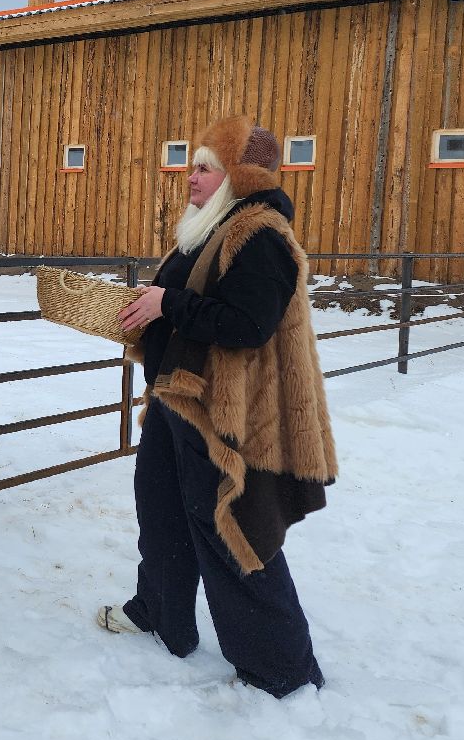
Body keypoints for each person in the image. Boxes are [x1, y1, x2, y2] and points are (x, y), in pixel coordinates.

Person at [99, 115, 337, 698]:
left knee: (231, 530)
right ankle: (161, 613)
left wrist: (169, 304)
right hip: (175, 398)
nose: (191, 177)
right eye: (192, 166)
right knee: (160, 512)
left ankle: (281, 668)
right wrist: (153, 306)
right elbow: (185, 302)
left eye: (206, 168)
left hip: (220, 416)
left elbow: (248, 326)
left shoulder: (259, 235)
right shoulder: (208, 229)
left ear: (239, 177)